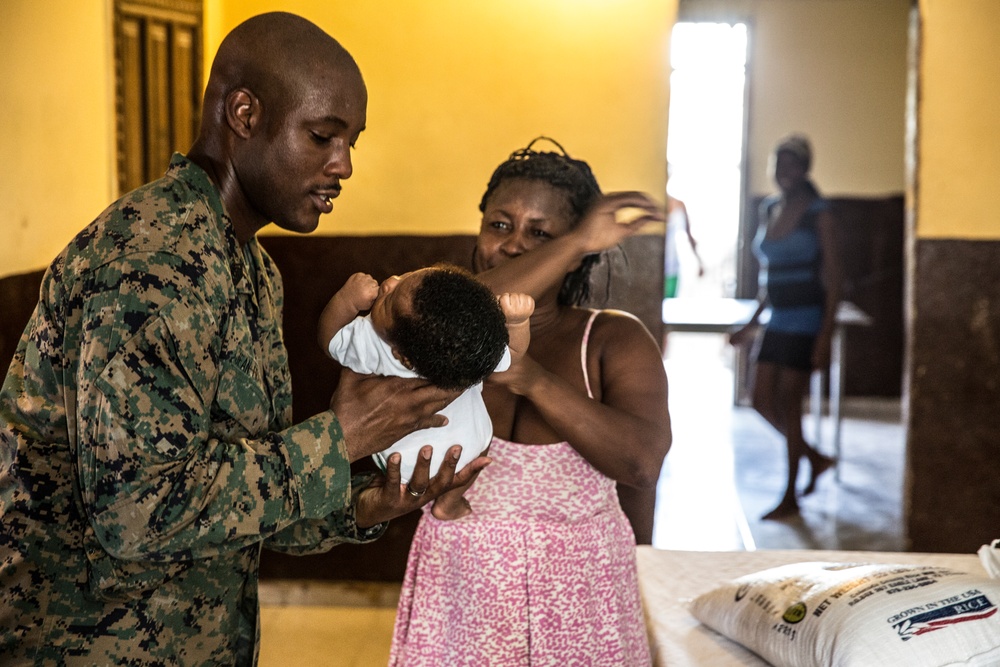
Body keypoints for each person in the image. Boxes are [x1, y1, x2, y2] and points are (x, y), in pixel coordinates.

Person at [0, 12, 488, 665]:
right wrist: (336, 438)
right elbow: (138, 511)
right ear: (244, 113)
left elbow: (238, 482)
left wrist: (367, 502)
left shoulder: (250, 266)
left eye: (352, 141)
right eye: (322, 135)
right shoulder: (151, 262)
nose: (343, 164)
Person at [389, 138, 672, 666]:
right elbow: (474, 308)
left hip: (581, 601)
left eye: (541, 233)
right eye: (500, 225)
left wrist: (531, 378)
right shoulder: (438, 332)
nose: (515, 245)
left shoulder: (612, 340)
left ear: (577, 250)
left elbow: (642, 463)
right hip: (461, 590)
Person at [317, 265, 533, 482]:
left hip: (404, 462)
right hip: (471, 441)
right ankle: (450, 503)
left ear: (403, 357)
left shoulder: (371, 340)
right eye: (406, 274)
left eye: (388, 300)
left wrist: (347, 301)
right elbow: (512, 353)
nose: (390, 282)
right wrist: (518, 322)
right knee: (470, 470)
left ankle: (439, 500)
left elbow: (331, 340)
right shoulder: (471, 348)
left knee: (391, 482)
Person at [729, 134, 840, 521]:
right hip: (776, 318)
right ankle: (815, 457)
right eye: (779, 164)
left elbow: (834, 277)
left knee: (791, 406)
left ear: (805, 168)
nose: (784, 172)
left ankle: (790, 495)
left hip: (807, 319)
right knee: (759, 398)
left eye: (791, 164)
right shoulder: (771, 208)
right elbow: (768, 278)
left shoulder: (818, 212)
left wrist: (824, 335)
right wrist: (752, 322)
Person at [664, 192, 704, 298]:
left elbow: (689, 236)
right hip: (653, 267)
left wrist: (699, 261)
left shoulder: (680, 205)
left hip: (672, 266)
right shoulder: (654, 204)